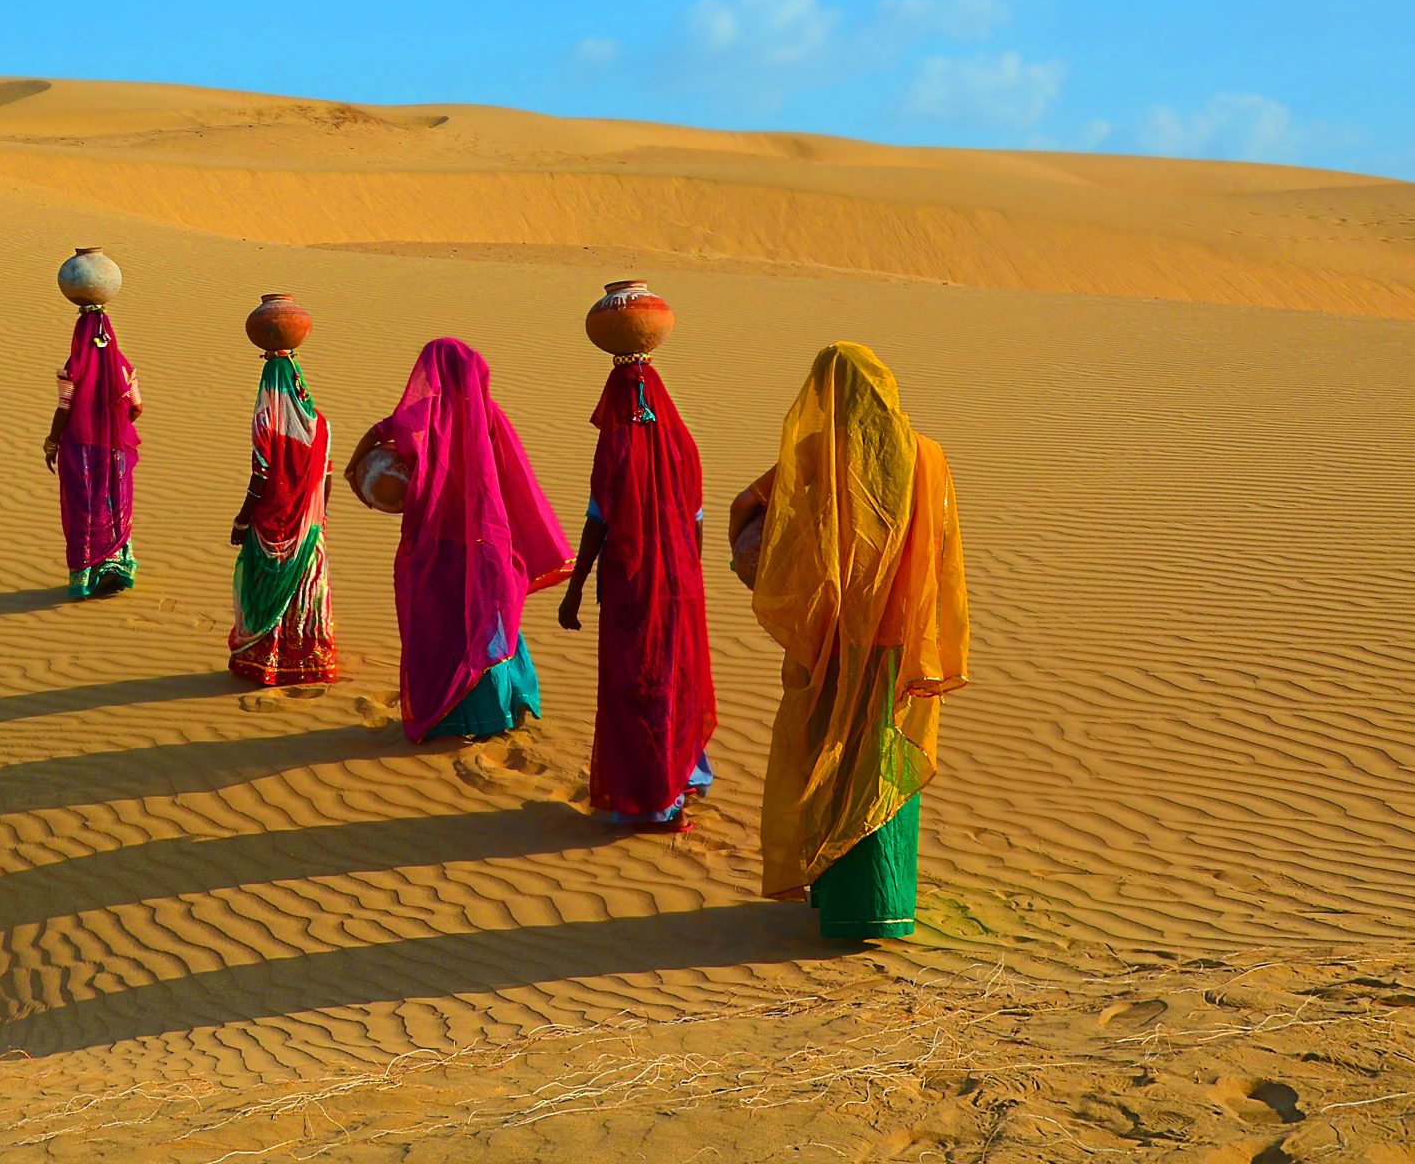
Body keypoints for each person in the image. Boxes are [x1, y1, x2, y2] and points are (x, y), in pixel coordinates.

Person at [733, 342, 968, 939]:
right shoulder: (929, 457)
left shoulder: (816, 452)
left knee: (835, 767)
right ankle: (886, 903)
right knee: (883, 768)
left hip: (837, 643)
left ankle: (840, 899)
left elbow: (753, 510)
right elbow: (942, 554)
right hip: (898, 644)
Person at [346, 338, 572, 742]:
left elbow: (382, 431)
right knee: (490, 617)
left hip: (442, 544)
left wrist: (352, 468)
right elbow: (513, 476)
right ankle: (508, 703)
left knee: (449, 626)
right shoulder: (487, 415)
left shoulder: (420, 418)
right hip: (486, 541)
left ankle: (461, 714)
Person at [558, 350, 715, 832]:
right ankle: (686, 775)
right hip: (680, 585)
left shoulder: (617, 446)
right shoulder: (683, 445)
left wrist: (576, 588)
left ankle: (654, 800)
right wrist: (685, 576)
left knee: (638, 685)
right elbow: (697, 522)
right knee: (677, 679)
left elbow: (597, 521)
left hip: (632, 586)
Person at [226, 348, 337, 684]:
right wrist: (319, 516)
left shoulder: (266, 419)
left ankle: (265, 660)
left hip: (272, 524)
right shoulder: (320, 423)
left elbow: (261, 474)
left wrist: (243, 519)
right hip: (308, 526)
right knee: (304, 589)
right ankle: (306, 659)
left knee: (264, 585)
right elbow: (326, 475)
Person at [44, 304, 141, 596]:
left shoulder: (74, 367)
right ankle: (116, 566)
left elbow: (64, 409)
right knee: (114, 500)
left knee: (86, 505)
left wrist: (52, 441)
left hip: (81, 450)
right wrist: (114, 425)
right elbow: (136, 407)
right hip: (116, 449)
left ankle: (90, 573)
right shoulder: (124, 367)